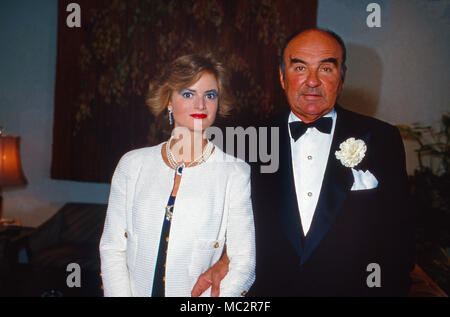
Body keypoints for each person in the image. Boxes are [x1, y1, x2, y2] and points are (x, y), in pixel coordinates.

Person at [192, 29, 415, 296]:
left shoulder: (381, 139)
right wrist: (225, 260)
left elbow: (399, 244)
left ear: (341, 78)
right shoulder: (251, 141)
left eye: (326, 69)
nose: (312, 81)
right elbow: (233, 227)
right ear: (283, 77)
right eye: (300, 67)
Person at [99, 54, 255, 297]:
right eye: (188, 94)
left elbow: (244, 264)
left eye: (210, 95)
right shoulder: (132, 165)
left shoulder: (235, 173)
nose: (200, 105)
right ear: (169, 101)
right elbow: (112, 248)